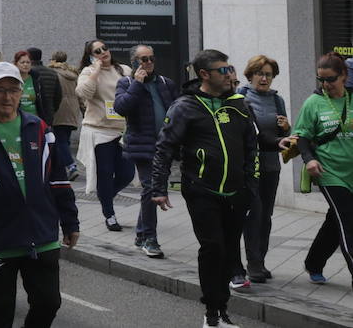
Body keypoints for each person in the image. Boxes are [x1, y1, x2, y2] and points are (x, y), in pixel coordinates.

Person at [0, 60, 80, 328]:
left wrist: (70, 221)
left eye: (13, 89)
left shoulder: (40, 129)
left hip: (40, 236)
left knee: (48, 303)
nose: (7, 96)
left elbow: (58, 180)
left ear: (22, 92)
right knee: (0, 311)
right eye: (0, 90)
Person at [149, 49, 256, 328]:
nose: (230, 74)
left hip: (236, 193)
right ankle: (212, 312)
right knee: (213, 248)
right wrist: (158, 188)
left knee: (230, 251)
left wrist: (250, 186)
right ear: (205, 74)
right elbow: (164, 148)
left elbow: (250, 146)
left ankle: (222, 310)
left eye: (230, 68)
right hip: (201, 190)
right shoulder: (185, 106)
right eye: (223, 70)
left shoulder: (239, 104)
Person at [290, 52, 353, 288]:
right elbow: (302, 138)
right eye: (321, 80)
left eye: (331, 79)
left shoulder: (352, 98)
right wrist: (308, 159)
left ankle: (314, 262)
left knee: (334, 220)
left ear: (344, 76)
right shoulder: (313, 103)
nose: (325, 85)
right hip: (329, 172)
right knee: (347, 220)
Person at [113, 43, 179, 258]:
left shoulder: (165, 83)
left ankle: (141, 233)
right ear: (133, 61)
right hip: (141, 145)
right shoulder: (127, 82)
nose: (148, 63)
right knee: (151, 189)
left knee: (151, 190)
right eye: (143, 59)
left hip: (164, 145)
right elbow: (121, 108)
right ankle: (150, 238)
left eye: (151, 58)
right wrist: (138, 84)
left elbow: (177, 109)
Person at [235, 54, 290, 284]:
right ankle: (254, 263)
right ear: (250, 75)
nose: (264, 78)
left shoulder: (277, 101)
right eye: (260, 73)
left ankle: (261, 260)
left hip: (271, 166)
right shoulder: (243, 98)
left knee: (266, 216)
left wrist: (287, 128)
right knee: (254, 215)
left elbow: (282, 136)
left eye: (268, 74)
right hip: (250, 168)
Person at [76, 38, 133, 230]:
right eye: (97, 51)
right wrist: (97, 70)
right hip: (100, 130)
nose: (103, 52)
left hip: (123, 130)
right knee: (105, 173)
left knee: (127, 173)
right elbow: (83, 93)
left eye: (105, 48)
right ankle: (109, 214)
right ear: (91, 57)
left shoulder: (124, 70)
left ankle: (105, 196)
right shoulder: (89, 72)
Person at [48, 51, 82, 179]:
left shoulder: (53, 73)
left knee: (60, 141)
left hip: (59, 110)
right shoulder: (73, 75)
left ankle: (71, 166)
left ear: (53, 60)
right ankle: (62, 169)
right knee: (65, 140)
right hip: (72, 110)